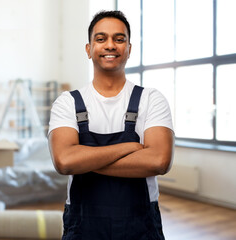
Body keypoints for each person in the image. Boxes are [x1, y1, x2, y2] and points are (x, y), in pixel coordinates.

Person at [48, 10, 174, 240]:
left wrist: (83, 159)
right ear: (88, 49)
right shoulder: (67, 102)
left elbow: (159, 161)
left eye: (119, 39)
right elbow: (65, 162)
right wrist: (129, 148)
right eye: (100, 38)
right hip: (83, 224)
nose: (110, 45)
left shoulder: (151, 99)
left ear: (129, 49)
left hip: (140, 224)